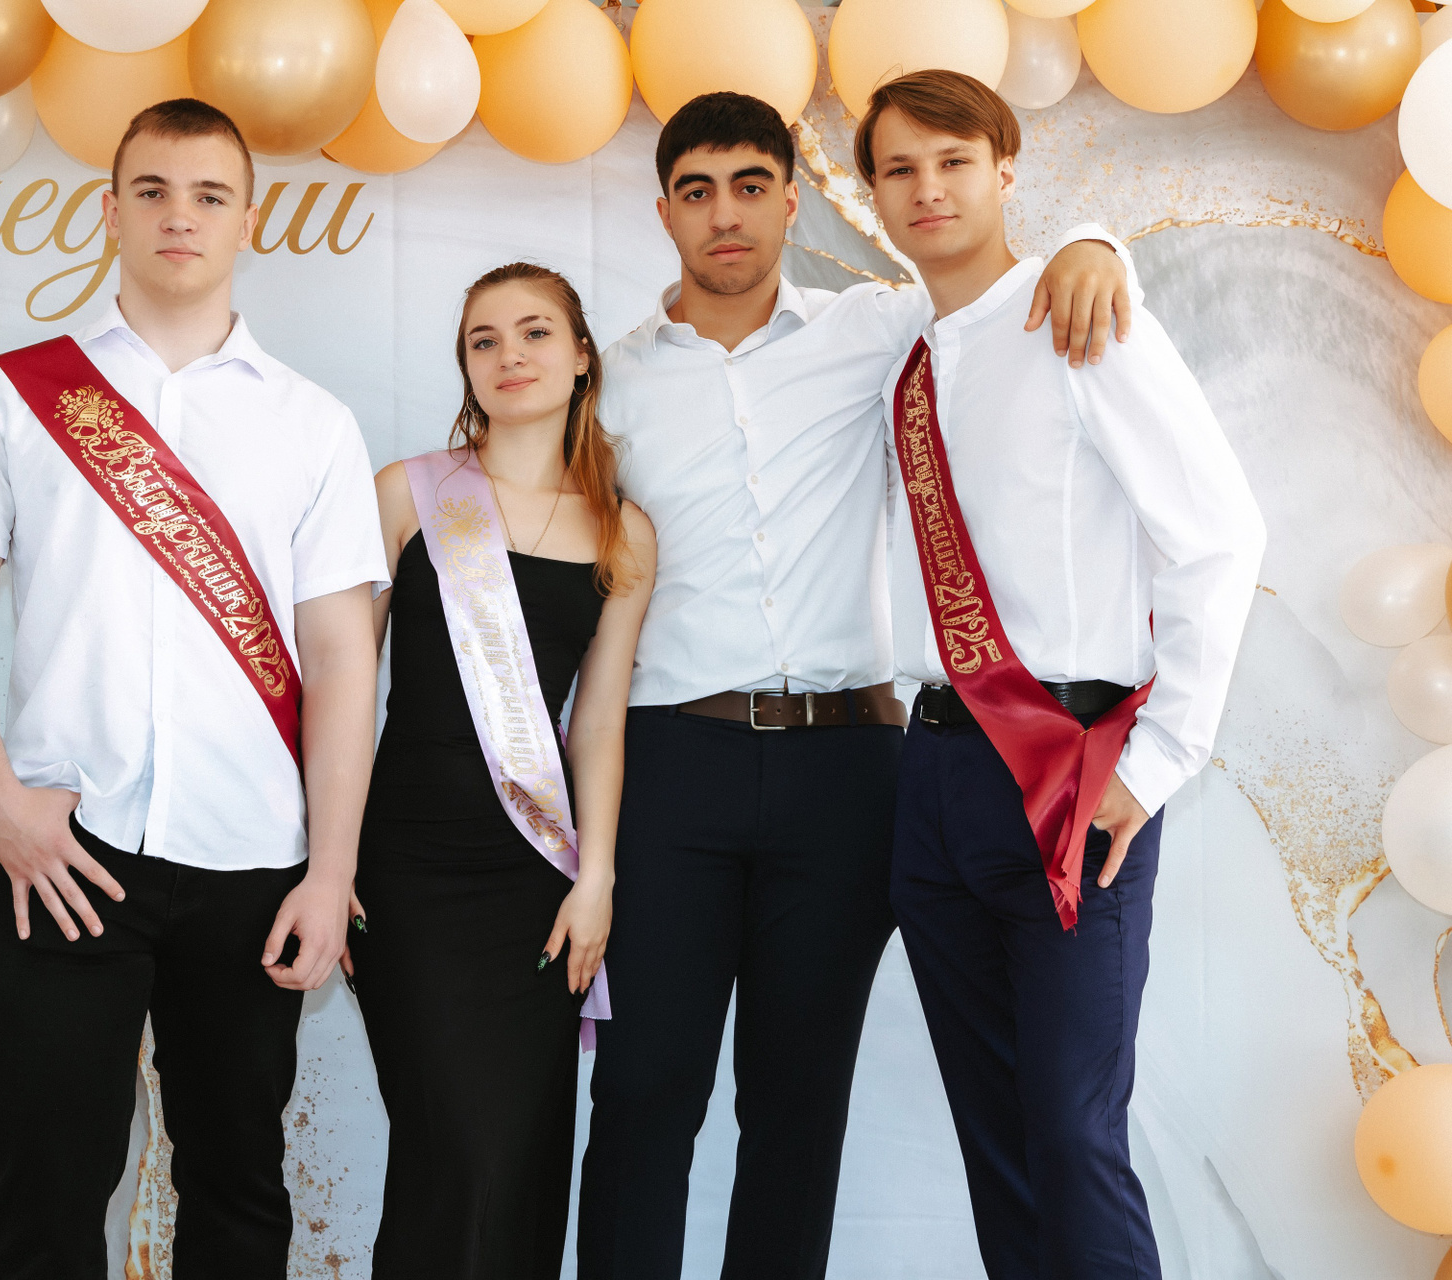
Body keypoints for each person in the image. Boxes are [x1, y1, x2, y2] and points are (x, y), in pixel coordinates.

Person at [578, 91, 1143, 1279]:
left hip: (847, 769)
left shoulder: (878, 329)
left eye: (750, 186)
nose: (726, 215)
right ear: (664, 210)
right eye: (696, 190)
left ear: (793, 200)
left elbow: (991, 278)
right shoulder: (609, 386)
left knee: (797, 1100)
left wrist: (1098, 242)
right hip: (673, 763)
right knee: (643, 1086)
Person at [0, 99, 385, 1280]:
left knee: (237, 1184)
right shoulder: (15, 392)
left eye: (210, 194)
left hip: (253, 861)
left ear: (249, 218)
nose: (181, 216)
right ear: (109, 210)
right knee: (40, 1180)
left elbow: (342, 661)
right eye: (153, 190)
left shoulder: (313, 425)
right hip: (66, 856)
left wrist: (329, 872)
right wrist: (3, 808)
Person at [860, 70, 1265, 1279]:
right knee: (999, 1138)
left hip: (1069, 770)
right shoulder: (907, 355)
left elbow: (1220, 534)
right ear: (873, 191)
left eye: (953, 160)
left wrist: (1160, 759)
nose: (928, 189)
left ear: (1005, 171)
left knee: (1075, 1134)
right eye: (899, 168)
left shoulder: (1078, 313)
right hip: (935, 776)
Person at [349, 262, 656, 1279]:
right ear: (466, 367)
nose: (510, 355)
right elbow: (341, 692)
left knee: (520, 1154)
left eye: (535, 332)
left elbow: (598, 721)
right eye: (484, 340)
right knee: (454, 1149)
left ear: (581, 357)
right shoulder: (407, 493)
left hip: (536, 881)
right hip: (405, 871)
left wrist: (596, 877)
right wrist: (328, 857)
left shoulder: (623, 531)